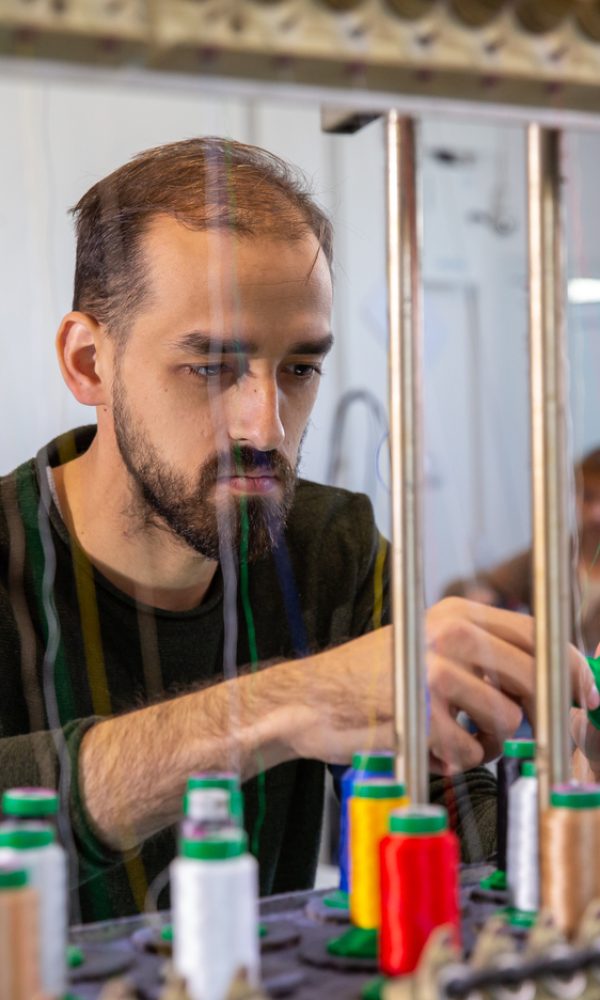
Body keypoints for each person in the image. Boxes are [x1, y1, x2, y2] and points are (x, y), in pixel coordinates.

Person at [1, 137, 598, 924]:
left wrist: (559, 813)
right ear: (88, 363)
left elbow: (449, 804)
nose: (265, 426)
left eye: (300, 368)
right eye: (211, 366)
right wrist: (283, 707)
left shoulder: (332, 544)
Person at [443, 449, 600, 654]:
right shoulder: (551, 555)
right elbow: (469, 587)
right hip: (550, 682)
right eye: (588, 497)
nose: (595, 513)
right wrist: (478, 595)